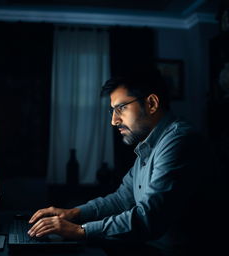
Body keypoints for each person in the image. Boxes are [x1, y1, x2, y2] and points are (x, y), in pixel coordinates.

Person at [27, 67, 213, 255]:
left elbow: (149, 219)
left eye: (121, 108)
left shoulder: (178, 141)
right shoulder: (149, 145)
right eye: (112, 111)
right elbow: (122, 199)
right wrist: (74, 213)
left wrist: (79, 231)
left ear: (151, 103)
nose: (114, 121)